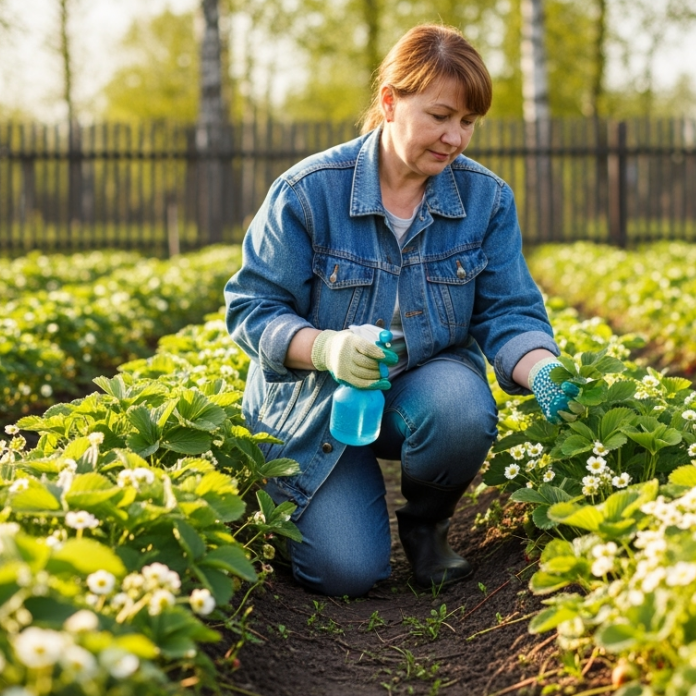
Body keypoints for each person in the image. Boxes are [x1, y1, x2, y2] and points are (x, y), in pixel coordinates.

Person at [224, 24, 576, 598]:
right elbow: (251, 308)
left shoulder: (486, 200)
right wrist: (326, 348)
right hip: (317, 408)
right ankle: (294, 500)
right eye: (440, 116)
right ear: (389, 101)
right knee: (347, 573)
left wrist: (542, 369)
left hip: (420, 394)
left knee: (461, 407)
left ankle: (427, 524)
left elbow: (507, 311)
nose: (455, 137)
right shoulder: (309, 192)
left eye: (467, 122)